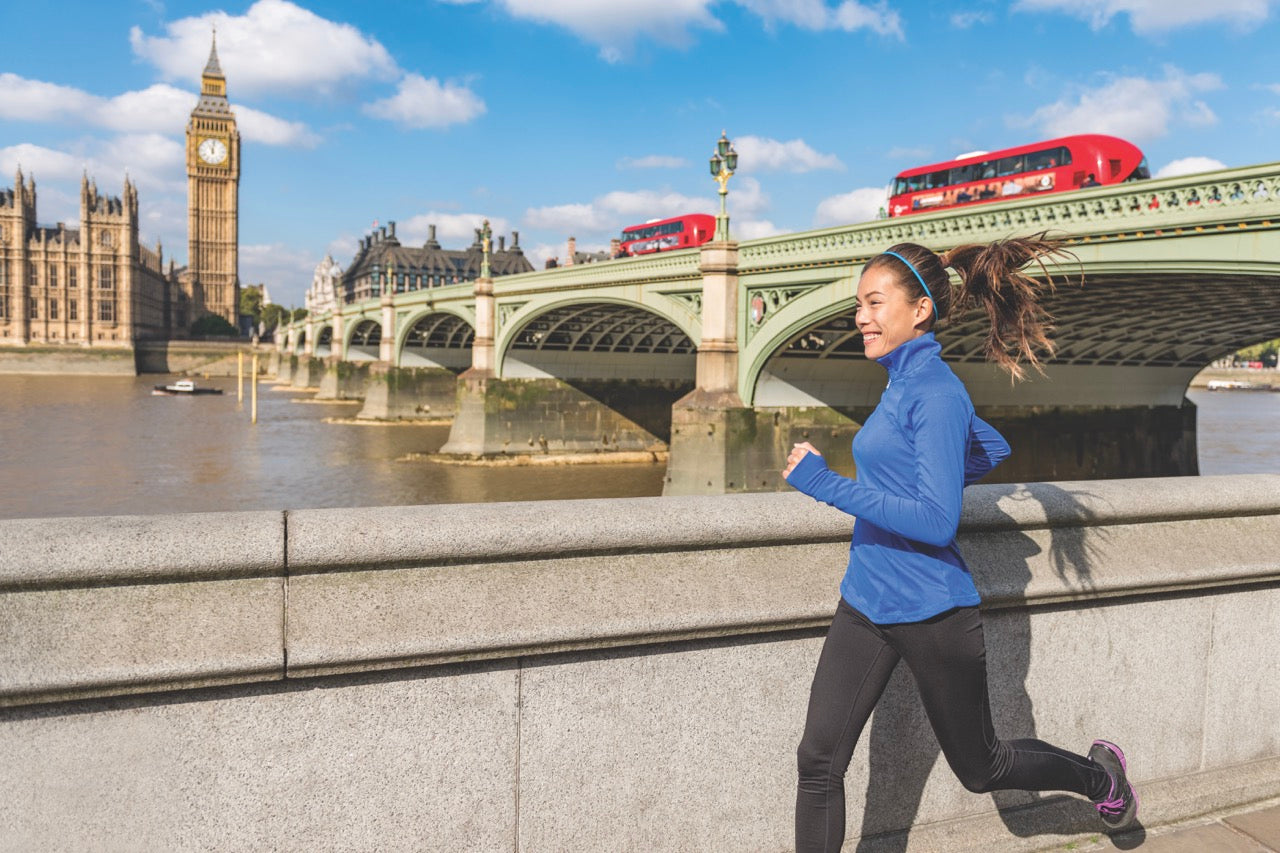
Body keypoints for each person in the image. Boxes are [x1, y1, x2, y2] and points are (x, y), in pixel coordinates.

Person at [782, 237, 1139, 852]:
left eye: (873, 302)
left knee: (982, 769)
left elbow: (935, 522)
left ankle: (1100, 777)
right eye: (857, 305)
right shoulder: (903, 381)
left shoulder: (937, 392)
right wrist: (932, 473)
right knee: (818, 761)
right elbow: (993, 449)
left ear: (920, 310)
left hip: (934, 613)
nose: (860, 317)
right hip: (865, 602)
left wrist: (824, 485)